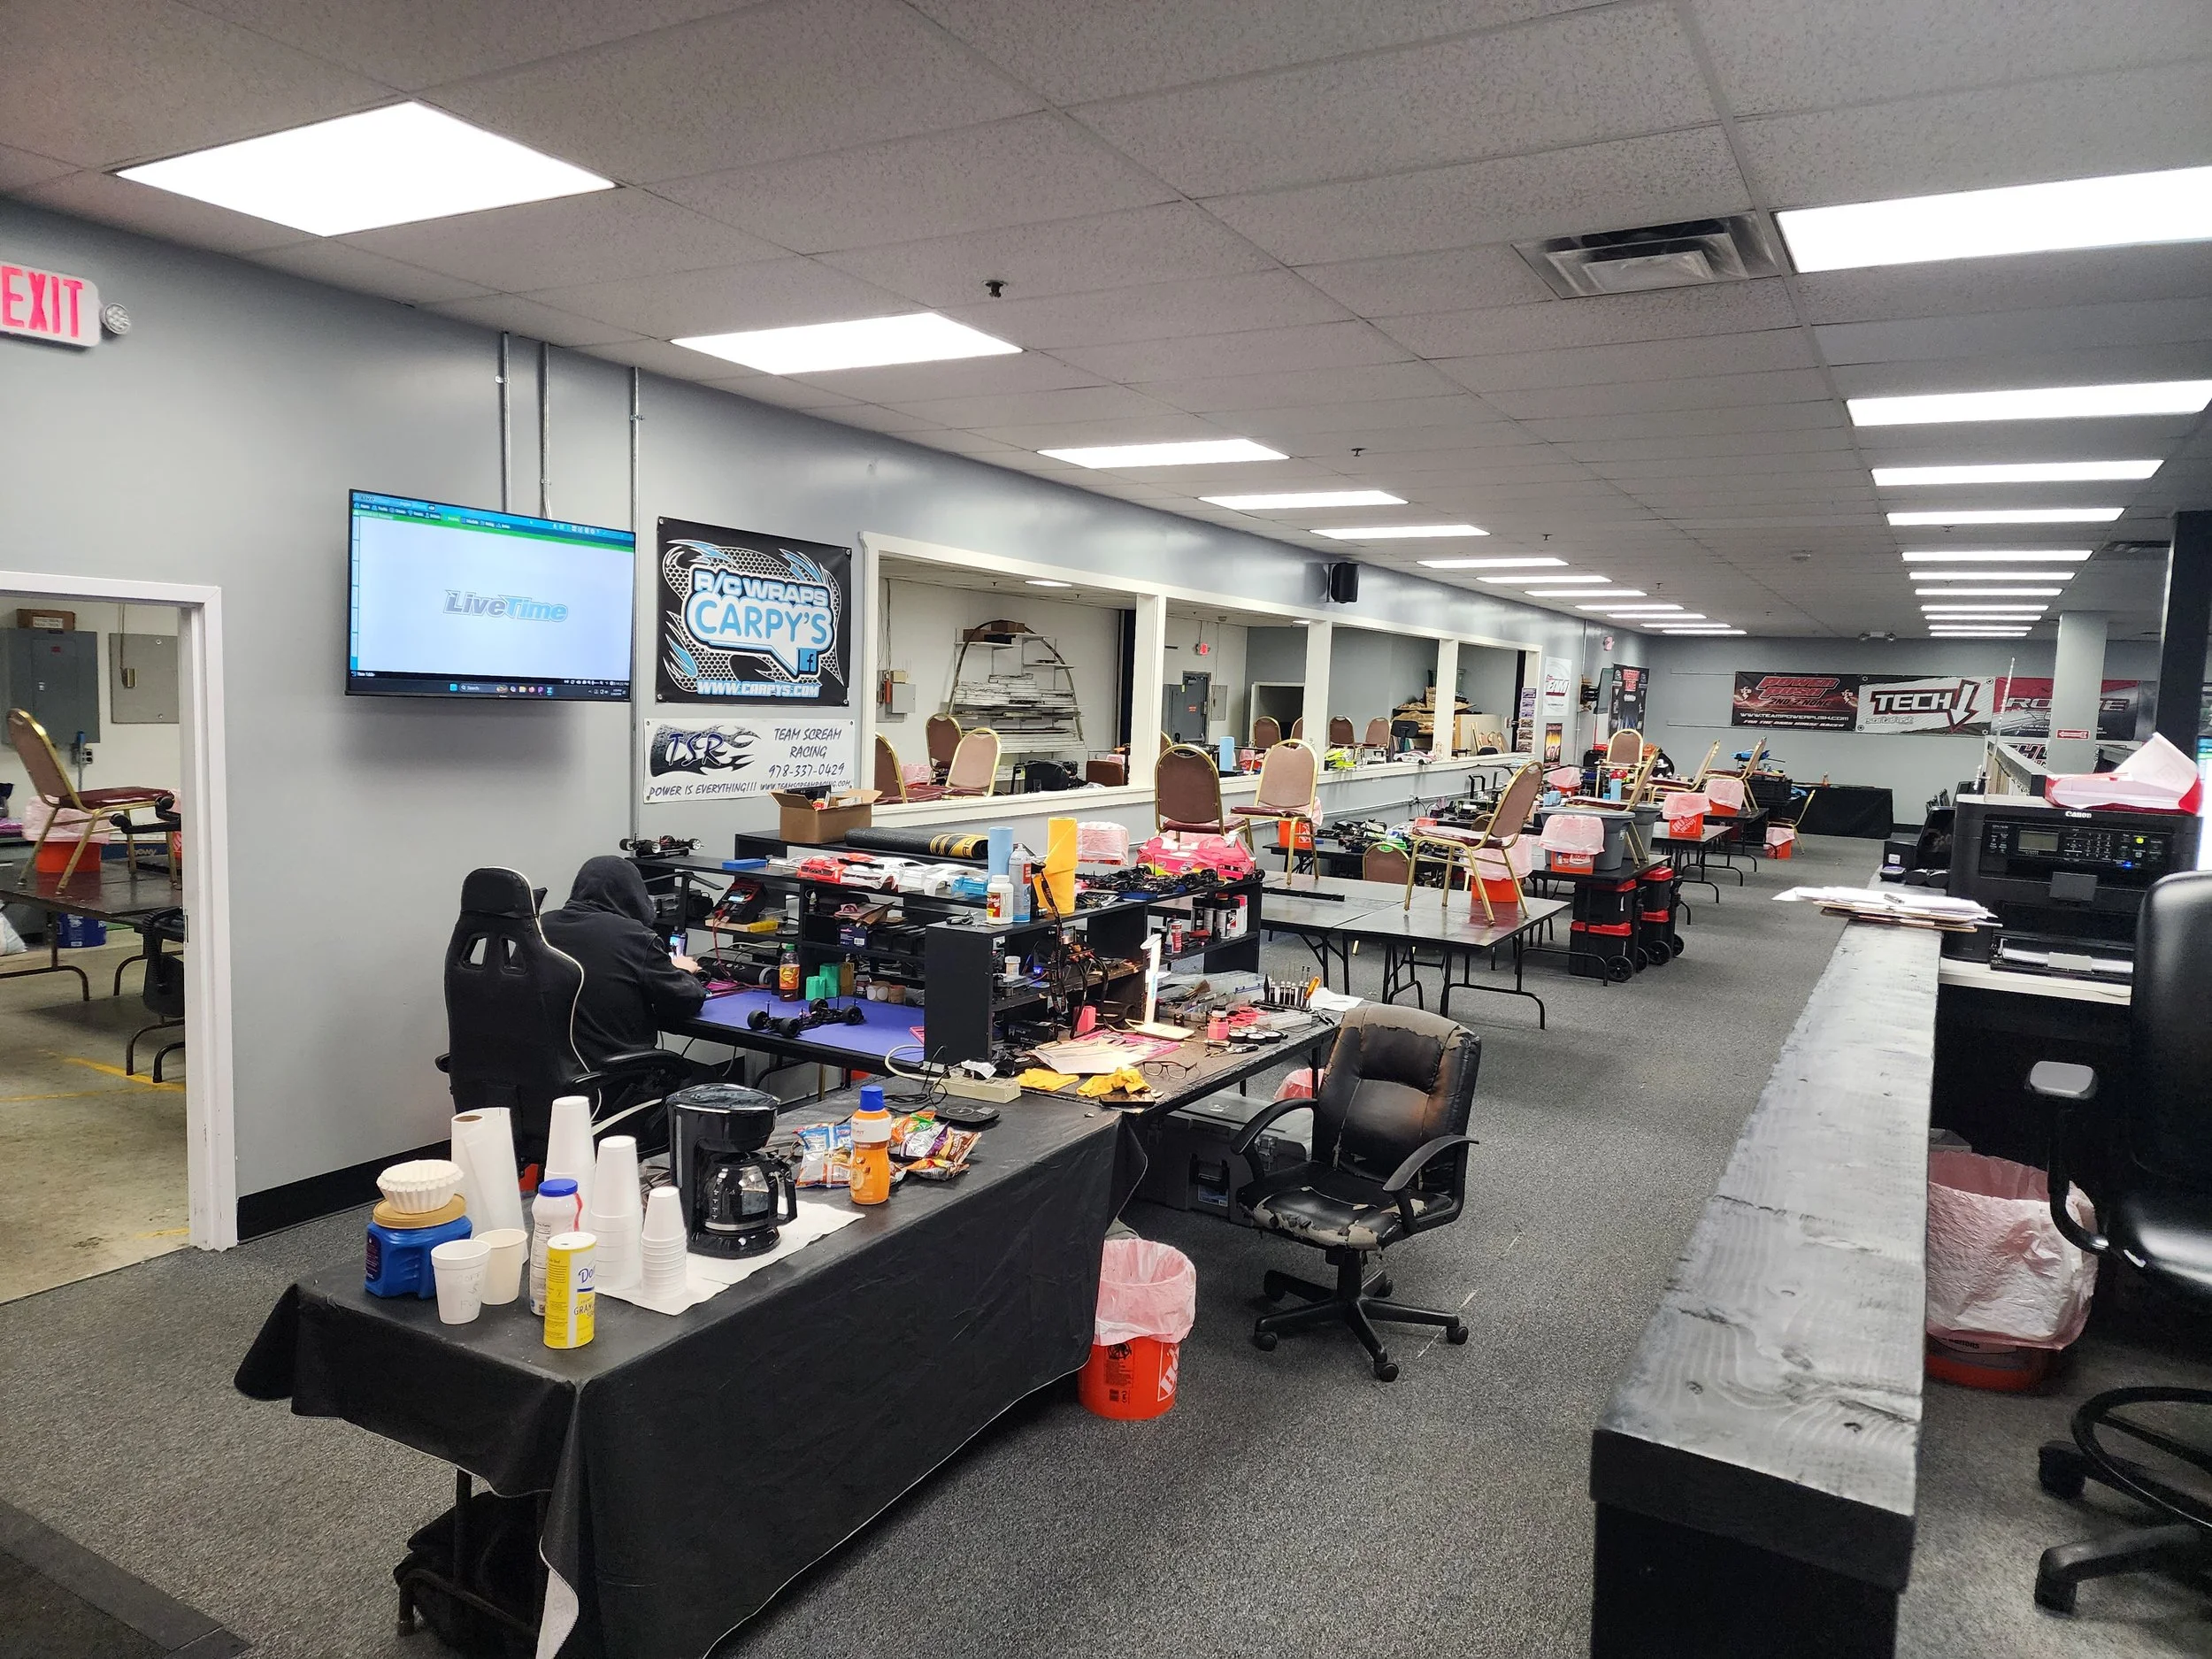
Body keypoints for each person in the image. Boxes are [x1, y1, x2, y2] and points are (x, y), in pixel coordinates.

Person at [540, 856, 708, 1067]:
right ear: (634, 894)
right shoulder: (635, 936)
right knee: (707, 1080)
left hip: (548, 1075)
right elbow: (687, 999)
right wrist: (684, 972)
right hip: (614, 1075)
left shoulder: (539, 928)